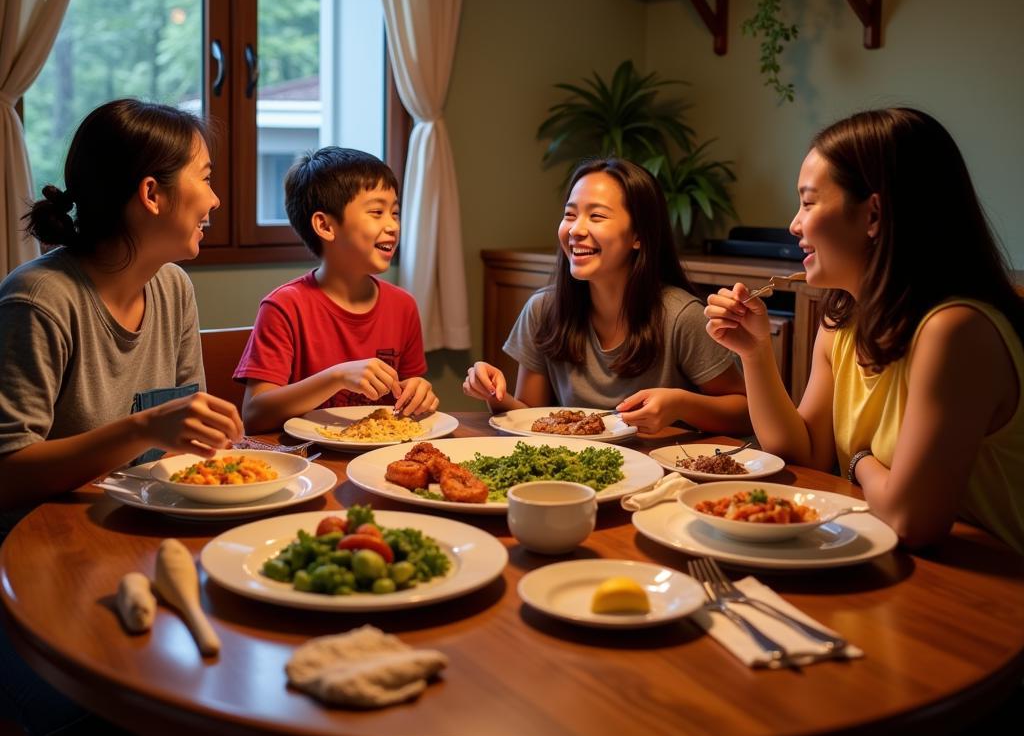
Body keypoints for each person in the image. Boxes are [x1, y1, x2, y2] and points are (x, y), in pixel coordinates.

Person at [0, 98, 243, 736]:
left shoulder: (172, 290)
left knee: (209, 706)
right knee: (93, 729)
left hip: (119, 549)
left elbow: (190, 440)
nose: (217, 198)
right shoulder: (39, 301)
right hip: (21, 569)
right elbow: (6, 474)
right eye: (205, 175)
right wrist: (141, 428)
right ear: (151, 193)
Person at [704, 107, 1024, 552]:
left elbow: (911, 519)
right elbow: (805, 454)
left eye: (809, 202)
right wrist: (755, 352)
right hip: (895, 566)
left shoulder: (955, 331)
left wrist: (859, 462)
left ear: (873, 215)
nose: (795, 224)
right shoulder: (843, 320)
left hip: (987, 597)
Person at [464, 158, 750, 436]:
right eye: (570, 215)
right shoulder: (542, 309)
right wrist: (493, 393)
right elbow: (531, 416)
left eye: (597, 216)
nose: (576, 230)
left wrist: (681, 404)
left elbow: (744, 414)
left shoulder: (681, 315)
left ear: (638, 235)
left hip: (665, 474)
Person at [235, 147, 436, 432]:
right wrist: (336, 377)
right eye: (377, 212)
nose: (392, 225)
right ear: (325, 226)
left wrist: (418, 391)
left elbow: (407, 394)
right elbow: (254, 414)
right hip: (309, 461)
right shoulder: (285, 306)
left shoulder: (403, 306)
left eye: (395, 212)